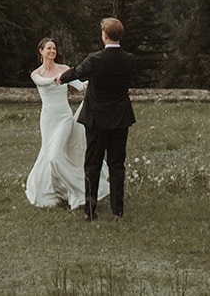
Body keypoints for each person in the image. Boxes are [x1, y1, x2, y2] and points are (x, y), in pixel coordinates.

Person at [58, 17, 137, 220]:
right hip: (120, 117)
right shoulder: (129, 59)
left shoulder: (95, 59)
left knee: (92, 163)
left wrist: (61, 78)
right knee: (117, 164)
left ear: (104, 36)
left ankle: (90, 211)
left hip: (96, 118)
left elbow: (77, 72)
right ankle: (117, 211)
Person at [25, 38, 109, 209]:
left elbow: (79, 86)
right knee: (48, 155)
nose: (52, 51)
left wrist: (92, 82)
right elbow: (42, 82)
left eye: (54, 48)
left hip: (64, 118)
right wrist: (56, 80)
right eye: (48, 48)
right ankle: (55, 191)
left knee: (56, 156)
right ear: (41, 51)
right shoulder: (36, 74)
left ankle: (82, 191)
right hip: (48, 120)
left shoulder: (64, 69)